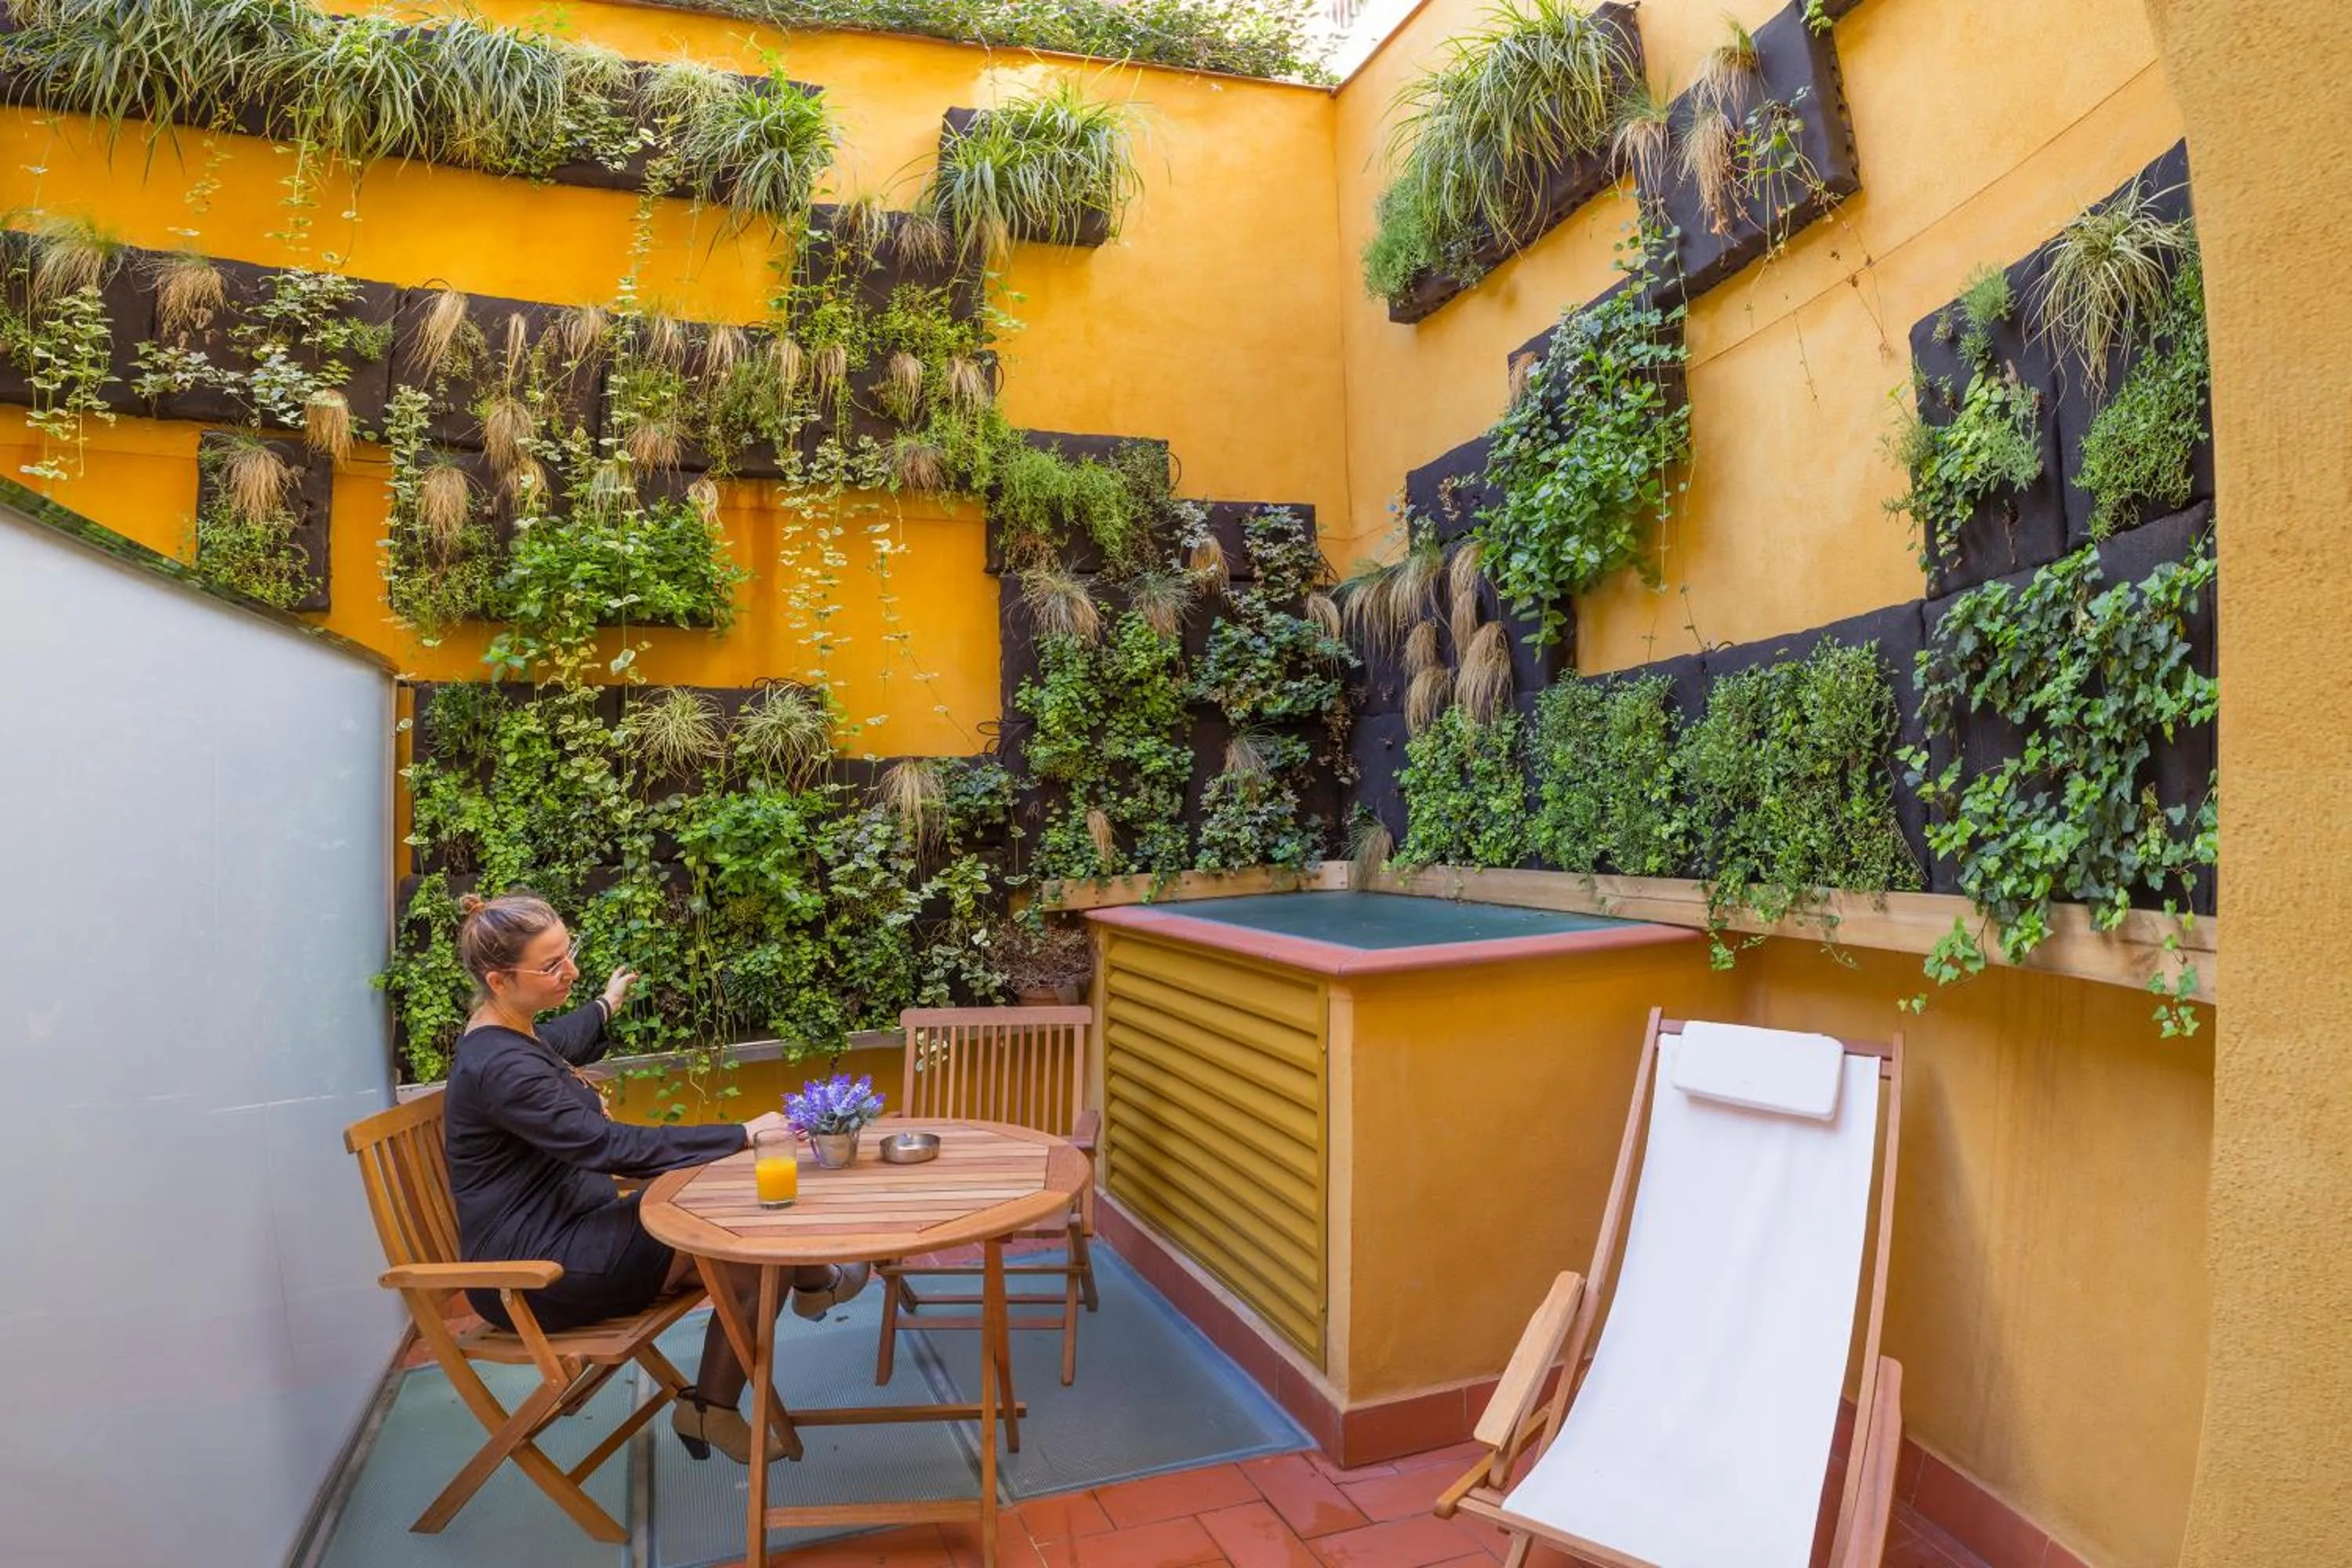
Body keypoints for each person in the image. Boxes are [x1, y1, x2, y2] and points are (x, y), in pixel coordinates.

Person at [442, 889, 867, 1465]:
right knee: (742, 1238)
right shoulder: (504, 1069)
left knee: (732, 1218)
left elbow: (560, 1039)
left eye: (570, 952)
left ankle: (804, 1297)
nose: (571, 970)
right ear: (499, 979)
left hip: (572, 1231)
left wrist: (607, 1003)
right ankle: (737, 1379)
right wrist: (740, 1134)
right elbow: (609, 1146)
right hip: (536, 1272)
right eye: (551, 965)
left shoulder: (508, 1032)